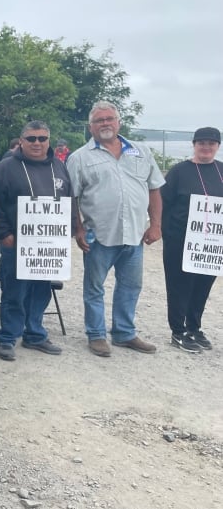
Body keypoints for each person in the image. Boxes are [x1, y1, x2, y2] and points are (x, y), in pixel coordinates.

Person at [66, 101, 164, 357]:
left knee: (131, 286)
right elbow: (72, 198)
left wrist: (155, 225)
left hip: (134, 235)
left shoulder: (141, 151)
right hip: (98, 234)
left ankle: (124, 333)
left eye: (110, 119)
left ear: (119, 122)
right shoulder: (79, 158)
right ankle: (96, 335)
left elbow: (154, 189)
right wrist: (78, 230)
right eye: (99, 120)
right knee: (94, 288)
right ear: (91, 126)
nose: (105, 124)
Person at [0, 121, 75, 361]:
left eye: (42, 138)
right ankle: (7, 337)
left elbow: (69, 199)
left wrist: (70, 231)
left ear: (49, 141)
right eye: (32, 138)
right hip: (15, 244)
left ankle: (35, 334)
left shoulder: (59, 166)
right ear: (22, 141)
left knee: (41, 290)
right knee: (15, 291)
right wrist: (4, 233)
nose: (37, 143)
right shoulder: (6, 168)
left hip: (47, 244)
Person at [161, 127, 223, 352]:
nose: (206, 147)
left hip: (211, 243)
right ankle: (178, 331)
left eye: (211, 143)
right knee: (179, 286)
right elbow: (163, 204)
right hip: (180, 239)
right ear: (194, 144)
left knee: (202, 286)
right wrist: (165, 233)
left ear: (218, 146)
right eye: (202, 143)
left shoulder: (221, 170)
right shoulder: (179, 171)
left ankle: (194, 326)